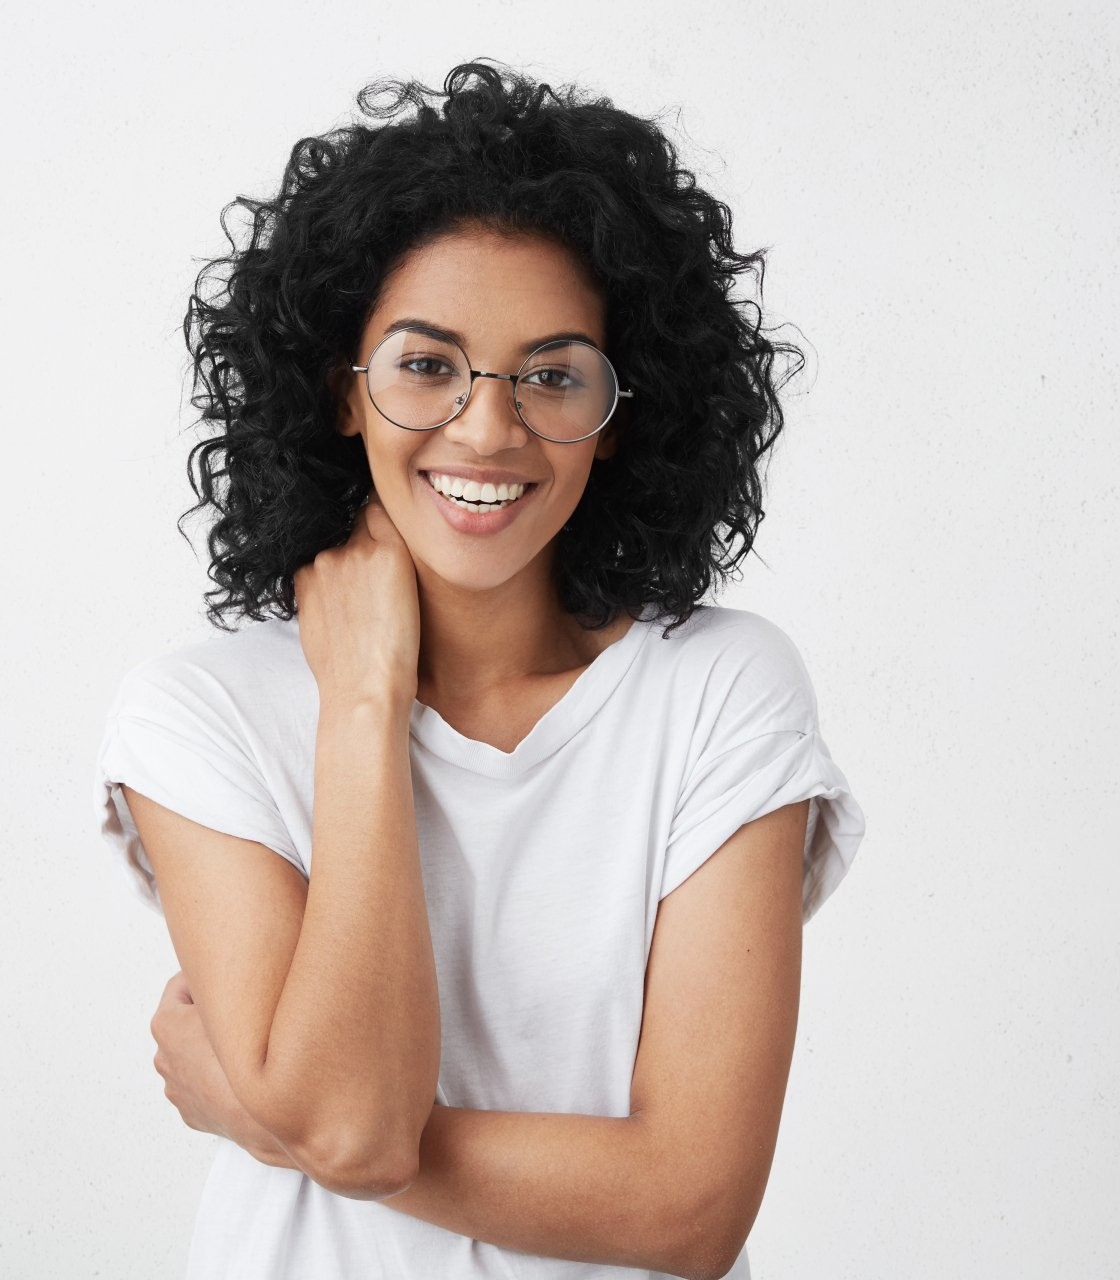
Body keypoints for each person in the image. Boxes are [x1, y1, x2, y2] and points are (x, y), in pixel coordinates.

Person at [92, 58, 866, 1280]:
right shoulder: (205, 712)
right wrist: (359, 706)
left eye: (551, 374)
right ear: (340, 393)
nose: (489, 428)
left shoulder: (718, 691)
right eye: (426, 364)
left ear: (618, 414)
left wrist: (271, 1118)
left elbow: (691, 1207)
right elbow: (348, 1114)